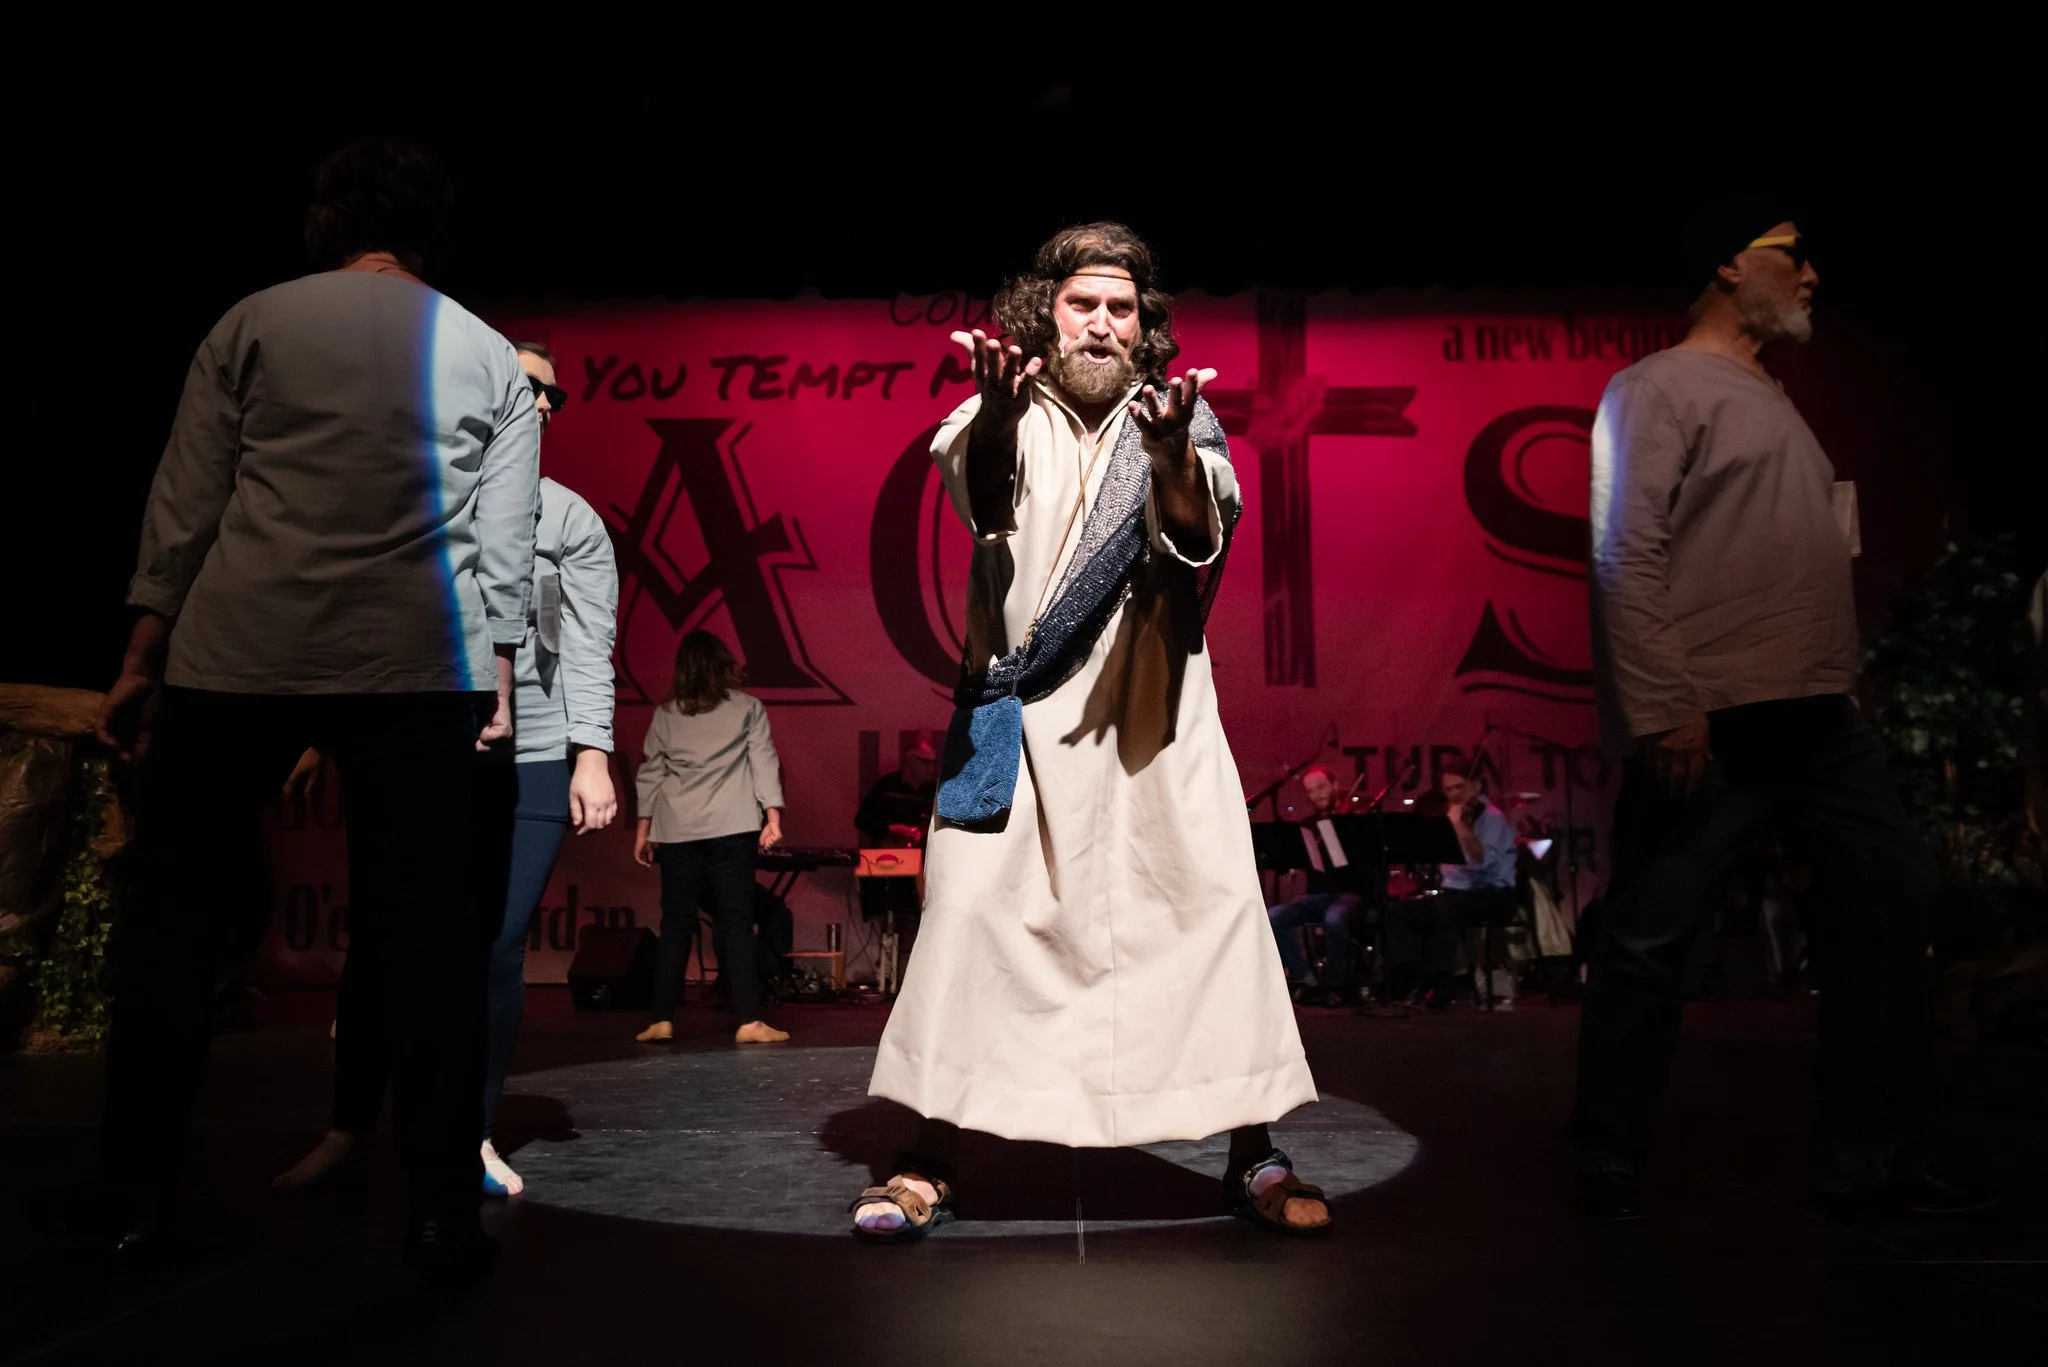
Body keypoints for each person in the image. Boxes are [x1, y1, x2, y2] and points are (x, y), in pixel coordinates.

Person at [88, 139, 537, 1277]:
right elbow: (505, 540)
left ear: (327, 219)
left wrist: (143, 649)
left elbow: (188, 498)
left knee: (172, 928)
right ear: (429, 228)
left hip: (240, 649)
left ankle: (135, 1201)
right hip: (416, 662)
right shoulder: (485, 349)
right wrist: (497, 679)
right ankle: (439, 1212)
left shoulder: (252, 321)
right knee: (431, 944)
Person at [851, 223, 1327, 1242]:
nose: (1103, 323)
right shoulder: (995, 410)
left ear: (1143, 325)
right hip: (1017, 728)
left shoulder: (1181, 420)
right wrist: (995, 411)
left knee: (1209, 916)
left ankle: (1254, 1149)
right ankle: (929, 1155)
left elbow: (1194, 539)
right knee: (967, 917)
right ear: (1046, 313)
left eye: (1122, 307)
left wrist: (1168, 453)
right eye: (1083, 304)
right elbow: (983, 499)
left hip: (1154, 729)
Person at [1570, 200, 1993, 1221]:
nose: (1810, 277)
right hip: (1715, 716)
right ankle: (1606, 1153)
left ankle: (1871, 1157)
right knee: (1649, 938)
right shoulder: (1657, 386)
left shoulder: (1772, 397)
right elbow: (1625, 548)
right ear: (1729, 265)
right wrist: (1664, 706)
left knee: (1888, 909)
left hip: (1819, 718)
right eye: (1792, 257)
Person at [275, 341, 620, 1200]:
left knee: (496, 943)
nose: (545, 404)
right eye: (530, 386)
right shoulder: (422, 504)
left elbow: (588, 644)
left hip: (532, 751)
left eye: (555, 395)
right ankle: (350, 1124)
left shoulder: (570, 519)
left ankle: (470, 1131)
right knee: (382, 936)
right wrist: (327, 732)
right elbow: (367, 621)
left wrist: (592, 752)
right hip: (418, 743)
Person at [633, 630, 789, 1044]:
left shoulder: (666, 713)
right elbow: (763, 760)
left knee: (676, 921)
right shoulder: (747, 707)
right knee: (736, 922)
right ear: (724, 665)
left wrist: (643, 829)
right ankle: (749, 1022)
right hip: (731, 826)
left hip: (677, 828)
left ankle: (661, 1019)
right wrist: (772, 816)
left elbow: (651, 772)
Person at [1384, 759, 1517, 1008]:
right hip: (1455, 893)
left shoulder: (1492, 817)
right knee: (1397, 911)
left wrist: (1459, 826)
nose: (1454, 794)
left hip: (1494, 894)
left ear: (1476, 786)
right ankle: (1414, 979)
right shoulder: (1447, 816)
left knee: (1447, 908)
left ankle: (1442, 984)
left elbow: (1481, 862)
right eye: (1448, 789)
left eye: (1459, 787)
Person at [1267, 765, 1368, 1006]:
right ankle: (1306, 979)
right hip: (1317, 895)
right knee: (1273, 917)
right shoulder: (1308, 825)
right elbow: (1291, 860)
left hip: (1350, 894)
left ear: (1335, 785)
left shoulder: (1356, 821)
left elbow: (1364, 866)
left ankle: (1334, 985)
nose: (1316, 795)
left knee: (1335, 918)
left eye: (1321, 787)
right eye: (1310, 791)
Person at [854, 734, 937, 967]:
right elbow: (862, 820)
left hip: (923, 863)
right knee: (889, 913)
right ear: (910, 761)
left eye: (933, 762)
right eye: (925, 762)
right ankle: (888, 968)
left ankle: (909, 968)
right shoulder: (886, 786)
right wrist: (893, 829)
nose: (931, 767)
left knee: (918, 915)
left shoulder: (934, 790)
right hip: (889, 861)